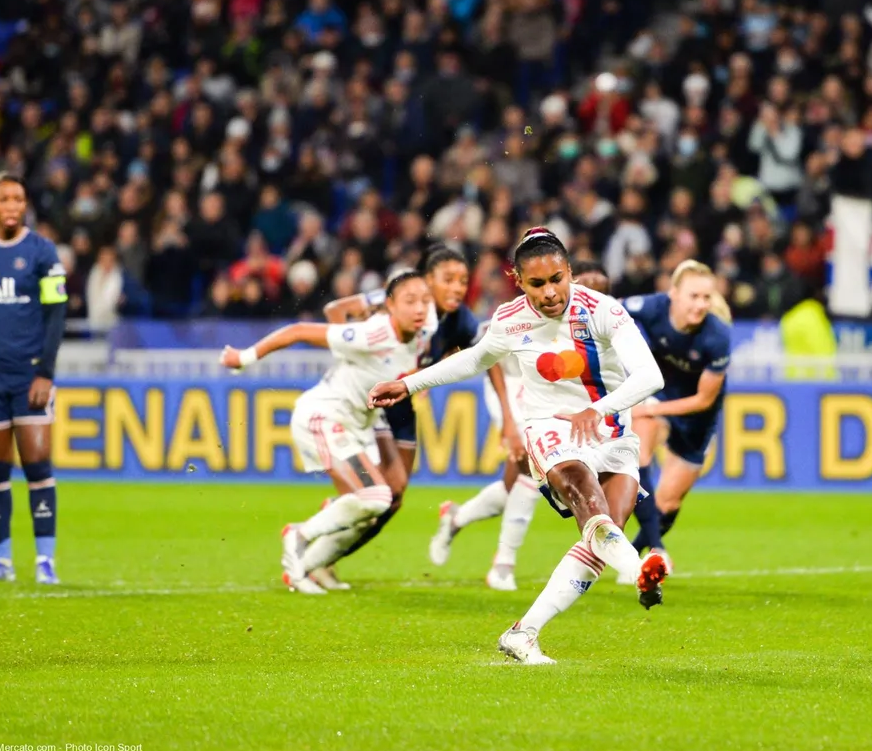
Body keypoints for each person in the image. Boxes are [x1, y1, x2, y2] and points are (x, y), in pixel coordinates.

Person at [368, 229, 668, 665]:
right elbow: (475, 358)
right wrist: (409, 384)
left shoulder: (603, 309)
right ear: (518, 280)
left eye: (557, 279)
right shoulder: (510, 319)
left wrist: (597, 410)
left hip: (613, 433)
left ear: (569, 271)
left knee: (604, 540)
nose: (550, 293)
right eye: (537, 284)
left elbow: (650, 376)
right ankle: (639, 571)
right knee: (589, 503)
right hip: (550, 428)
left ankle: (523, 633)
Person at [303, 246, 515, 589]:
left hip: (400, 403)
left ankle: (325, 557)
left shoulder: (461, 320)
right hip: (370, 398)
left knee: (395, 495)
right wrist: (356, 357)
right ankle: (315, 548)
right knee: (376, 493)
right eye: (448, 280)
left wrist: (508, 416)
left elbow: (487, 359)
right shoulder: (396, 301)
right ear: (427, 280)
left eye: (463, 281)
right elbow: (335, 310)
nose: (458, 288)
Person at [218, 269, 436, 594]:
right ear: (390, 304)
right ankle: (299, 535)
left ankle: (307, 568)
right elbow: (299, 331)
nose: (419, 308)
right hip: (324, 416)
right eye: (410, 301)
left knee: (369, 509)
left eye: (425, 301)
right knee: (376, 497)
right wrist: (244, 357)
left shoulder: (425, 329)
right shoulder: (372, 334)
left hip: (358, 426)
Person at [428, 259, 613, 592]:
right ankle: (504, 563)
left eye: (601, 291)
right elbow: (488, 358)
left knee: (517, 483)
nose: (593, 295)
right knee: (530, 468)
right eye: (588, 287)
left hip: (544, 394)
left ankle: (456, 518)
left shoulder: (596, 324)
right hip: (512, 389)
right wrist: (508, 423)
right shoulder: (528, 311)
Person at [0, 173, 69, 584]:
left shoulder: (42, 251)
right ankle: (2, 562)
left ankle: (45, 561)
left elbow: (57, 312)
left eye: (18, 198)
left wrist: (45, 371)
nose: (12, 206)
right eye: (4, 199)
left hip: (29, 374)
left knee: (37, 465)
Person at [624, 260, 732, 575]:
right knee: (639, 454)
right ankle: (654, 550)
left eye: (706, 297)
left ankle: (634, 552)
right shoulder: (651, 308)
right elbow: (607, 311)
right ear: (674, 293)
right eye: (693, 296)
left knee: (668, 503)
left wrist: (649, 409)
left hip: (697, 417)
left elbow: (703, 400)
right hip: (659, 395)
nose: (700, 304)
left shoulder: (717, 336)